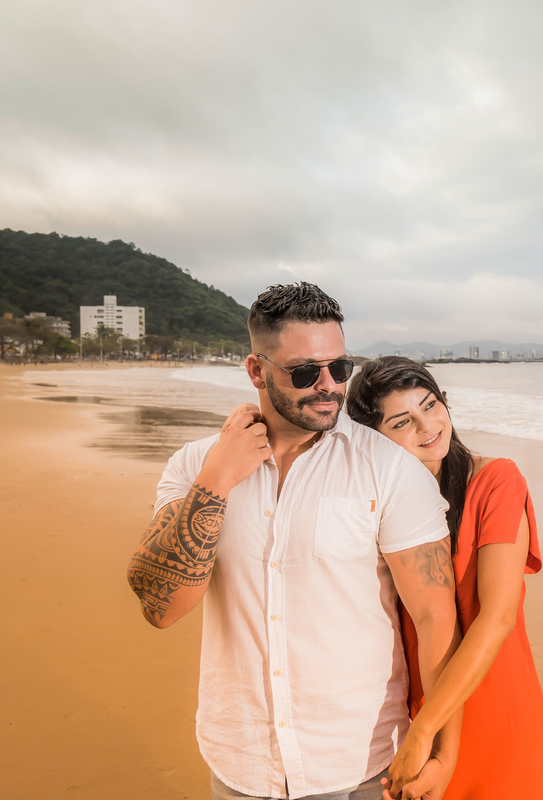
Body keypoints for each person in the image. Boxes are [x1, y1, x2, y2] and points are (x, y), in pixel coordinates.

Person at [127, 284, 462, 800]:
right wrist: (218, 478)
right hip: (239, 759)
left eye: (339, 368)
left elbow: (435, 616)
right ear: (257, 371)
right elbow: (161, 606)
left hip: (357, 761)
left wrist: (440, 749)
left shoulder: (389, 468)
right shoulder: (195, 465)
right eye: (306, 372)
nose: (329, 387)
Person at [346, 356, 543, 799]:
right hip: (415, 701)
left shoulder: (496, 481)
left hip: (492, 697)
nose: (427, 426)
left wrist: (425, 733)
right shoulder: (377, 502)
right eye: (402, 422)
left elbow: (497, 619)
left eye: (431, 405)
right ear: (374, 438)